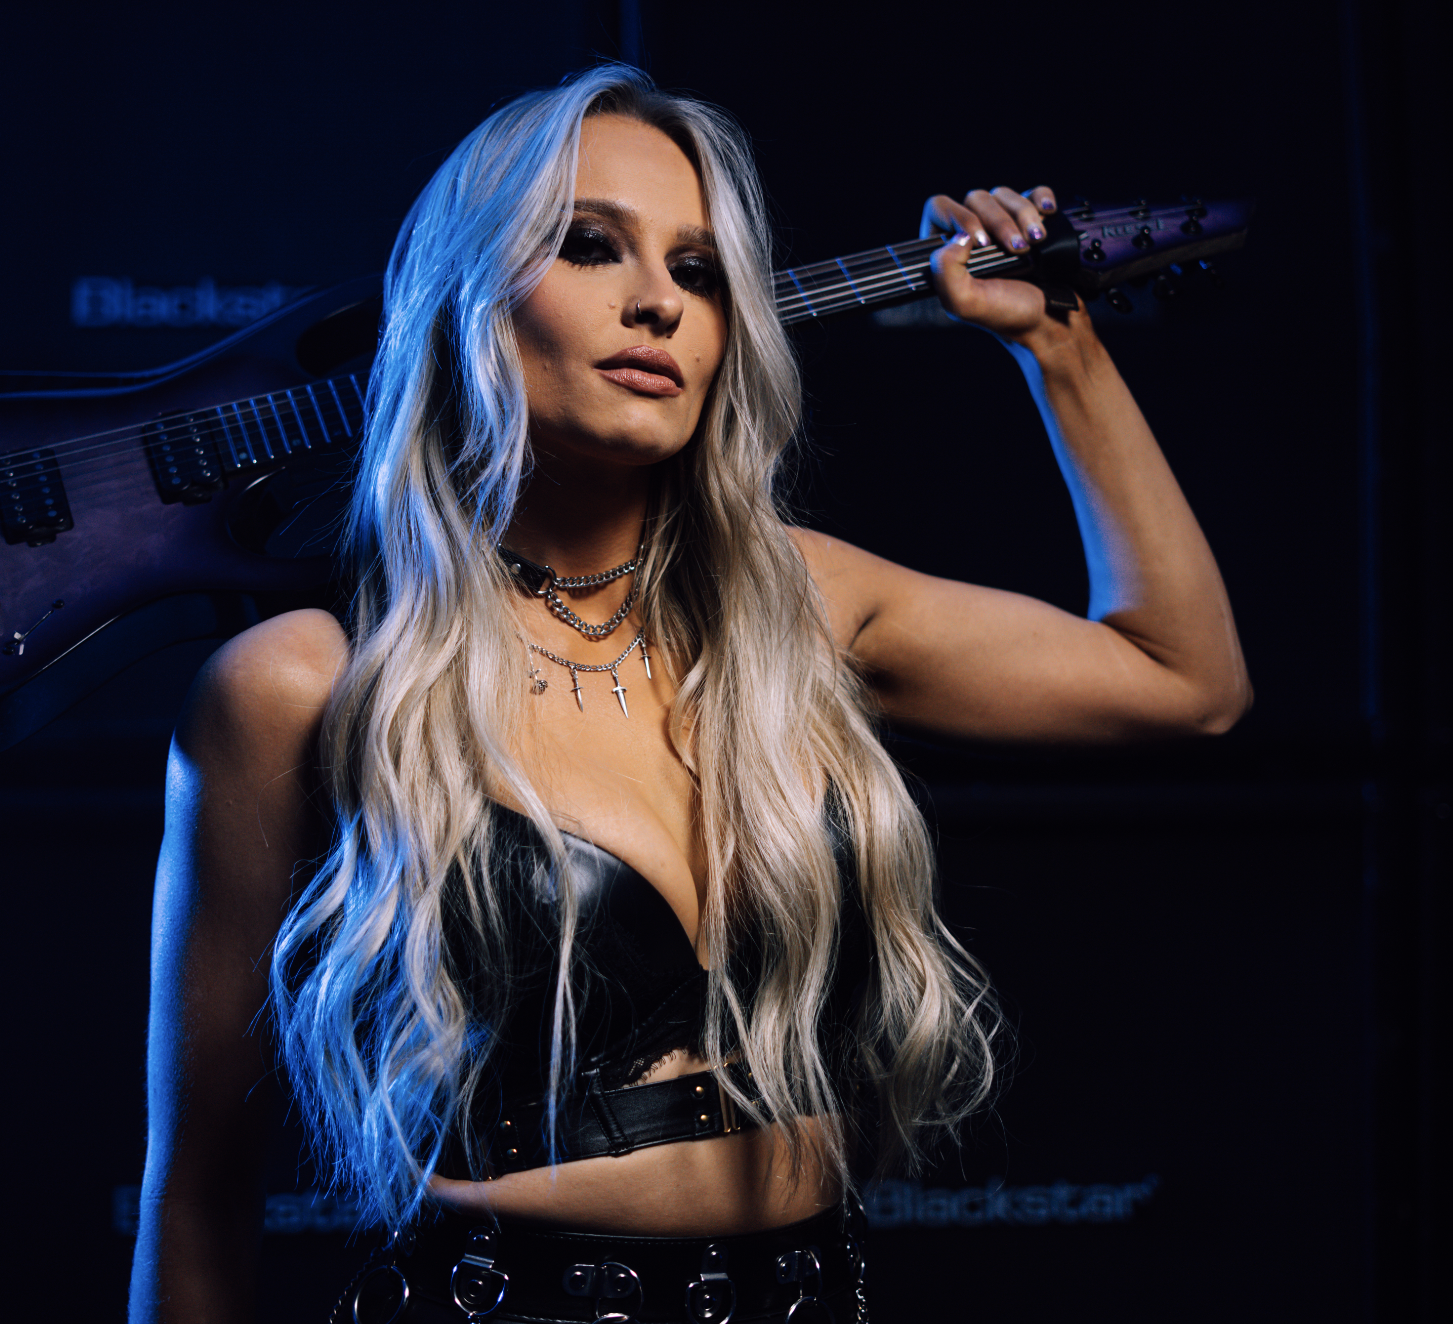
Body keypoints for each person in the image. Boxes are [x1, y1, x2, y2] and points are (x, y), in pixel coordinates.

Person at [129, 64, 1250, 1324]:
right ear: (465, 297)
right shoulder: (306, 683)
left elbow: (1184, 681)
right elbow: (198, 1188)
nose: (657, 301)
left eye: (701, 270)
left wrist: (1060, 350)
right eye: (590, 247)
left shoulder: (798, 607)